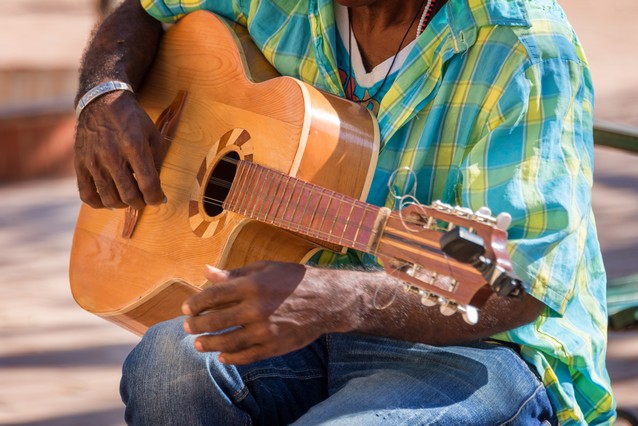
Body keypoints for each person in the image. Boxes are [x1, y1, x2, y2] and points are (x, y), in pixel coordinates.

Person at [73, 0, 616, 424]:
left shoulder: (521, 46)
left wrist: (336, 298)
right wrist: (103, 94)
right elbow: (146, 11)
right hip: (310, 326)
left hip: (478, 351)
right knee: (167, 365)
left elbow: (514, 286)